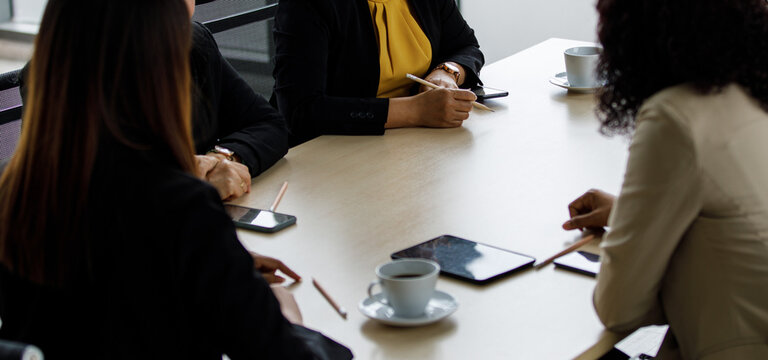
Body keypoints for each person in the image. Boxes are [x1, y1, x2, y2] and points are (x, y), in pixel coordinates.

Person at [0, 0, 352, 358]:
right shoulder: (179, 210)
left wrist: (224, 265)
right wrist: (286, 317)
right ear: (161, 63)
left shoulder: (17, 196)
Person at [561, 0, 768, 358]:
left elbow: (618, 308)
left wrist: (639, 233)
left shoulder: (675, 117)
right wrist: (633, 211)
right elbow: (760, 215)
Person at [15, 0, 289, 201]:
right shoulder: (57, 76)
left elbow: (269, 124)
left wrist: (222, 158)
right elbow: (68, 190)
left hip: (191, 232)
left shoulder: (192, 45)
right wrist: (179, 175)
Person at [270, 0, 485, 146]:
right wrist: (415, 110)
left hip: (412, 144)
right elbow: (301, 111)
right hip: (332, 152)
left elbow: (466, 46)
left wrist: (446, 72)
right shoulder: (307, 4)